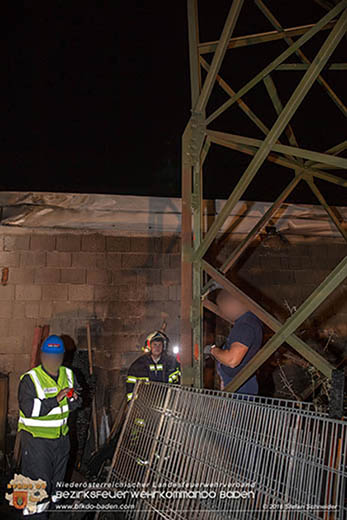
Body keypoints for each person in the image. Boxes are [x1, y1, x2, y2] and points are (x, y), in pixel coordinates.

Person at [17, 334, 82, 517]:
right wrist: (57, 398)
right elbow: (30, 409)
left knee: (56, 488)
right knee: (36, 488)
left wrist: (74, 399)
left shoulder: (68, 375)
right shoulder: (31, 379)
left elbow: (78, 400)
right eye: (49, 356)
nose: (53, 360)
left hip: (61, 440)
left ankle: (53, 514)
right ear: (42, 356)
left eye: (57, 357)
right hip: (37, 442)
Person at [205, 290, 263, 395]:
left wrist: (213, 350)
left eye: (223, 307)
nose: (223, 313)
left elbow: (232, 360)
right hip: (238, 385)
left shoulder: (245, 325)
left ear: (233, 304)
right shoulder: (246, 322)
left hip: (240, 389)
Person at [126, 331, 181, 402]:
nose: (157, 348)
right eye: (154, 345)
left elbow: (177, 382)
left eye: (159, 345)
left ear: (163, 346)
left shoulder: (171, 363)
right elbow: (130, 385)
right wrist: (132, 402)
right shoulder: (139, 364)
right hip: (145, 403)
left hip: (165, 402)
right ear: (149, 346)